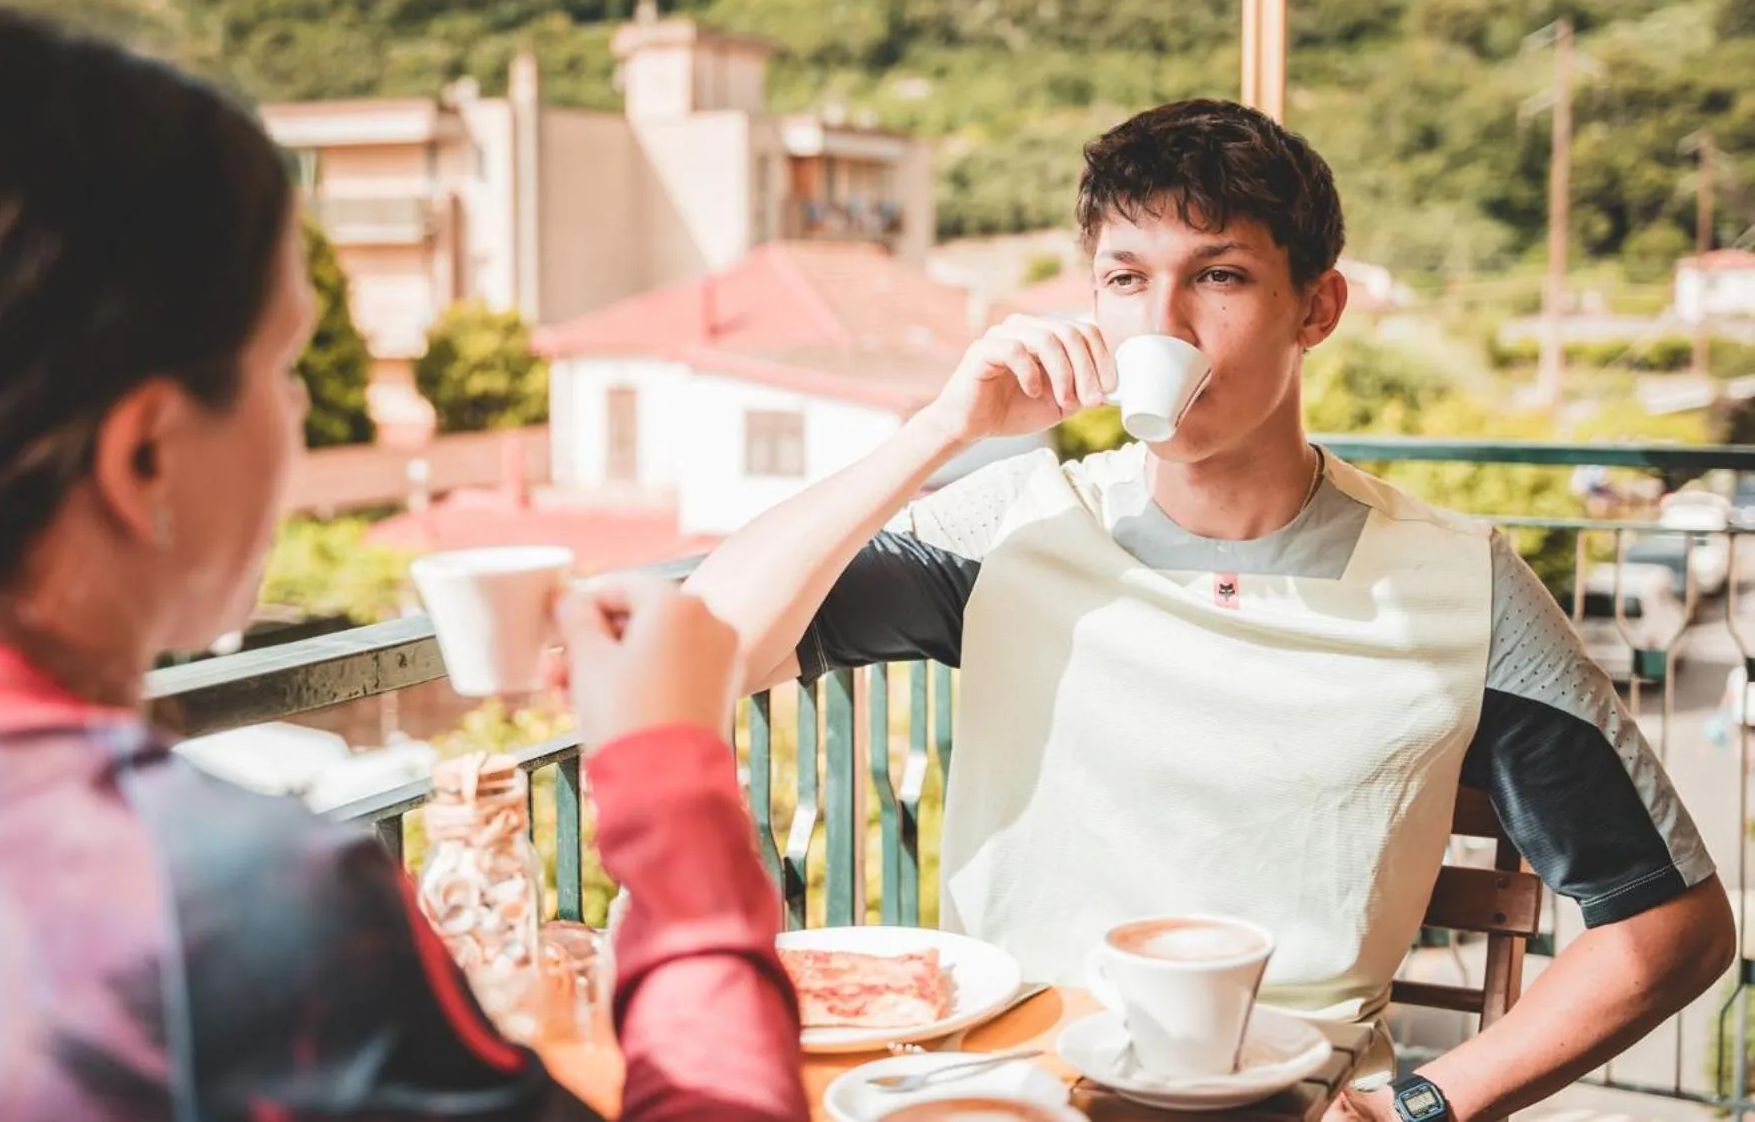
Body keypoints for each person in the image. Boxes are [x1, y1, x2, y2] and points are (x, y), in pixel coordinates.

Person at [0, 9, 806, 1121]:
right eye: (282, 363)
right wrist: (672, 792)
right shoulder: (233, 911)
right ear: (146, 451)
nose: (299, 412)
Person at [684, 99, 1735, 1121]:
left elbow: (1669, 922)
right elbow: (704, 648)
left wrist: (1420, 1100)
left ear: (1314, 309)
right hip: (1003, 1090)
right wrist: (937, 431)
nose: (1163, 323)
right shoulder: (1009, 523)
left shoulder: (1460, 586)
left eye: (1217, 275)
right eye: (1124, 279)